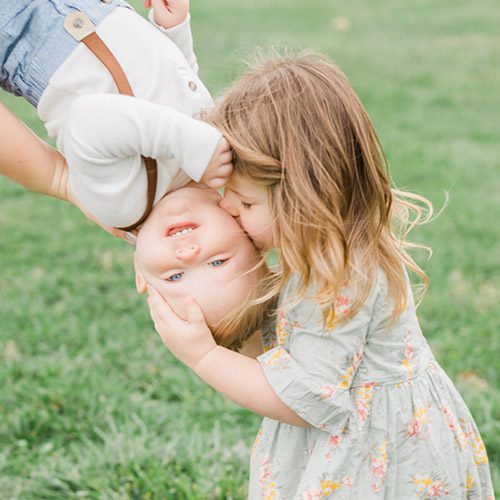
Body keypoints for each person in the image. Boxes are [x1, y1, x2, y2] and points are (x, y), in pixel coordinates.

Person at [146, 53, 494, 498]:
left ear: (305, 197)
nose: (228, 209)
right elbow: (278, 350)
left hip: (376, 458)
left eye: (246, 203)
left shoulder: (341, 276)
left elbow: (305, 400)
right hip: (360, 442)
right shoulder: (325, 246)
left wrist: (202, 357)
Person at [0, 0, 232, 231]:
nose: (188, 252)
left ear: (141, 267)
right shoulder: (204, 157)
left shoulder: (128, 206)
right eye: (219, 261)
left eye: (176, 270)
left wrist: (190, 144)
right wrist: (174, 29)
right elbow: (179, 86)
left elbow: (86, 119)